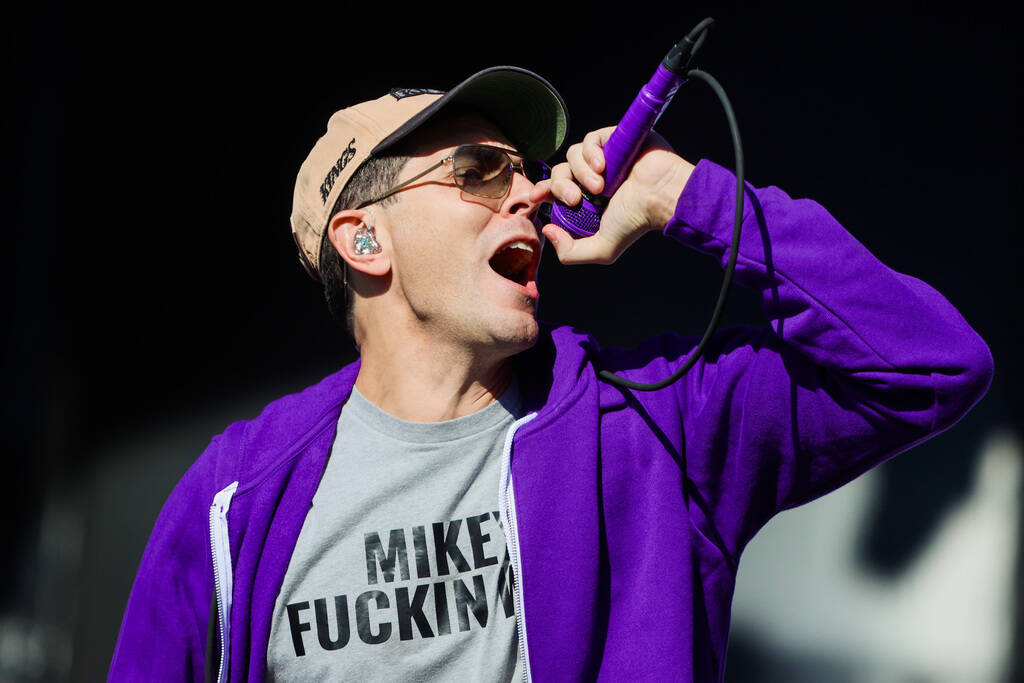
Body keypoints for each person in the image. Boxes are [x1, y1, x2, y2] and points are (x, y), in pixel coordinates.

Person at [109, 66, 993, 682]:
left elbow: (929, 362)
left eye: (525, 170)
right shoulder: (236, 495)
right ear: (365, 239)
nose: (529, 192)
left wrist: (683, 193)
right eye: (479, 172)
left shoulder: (654, 430)